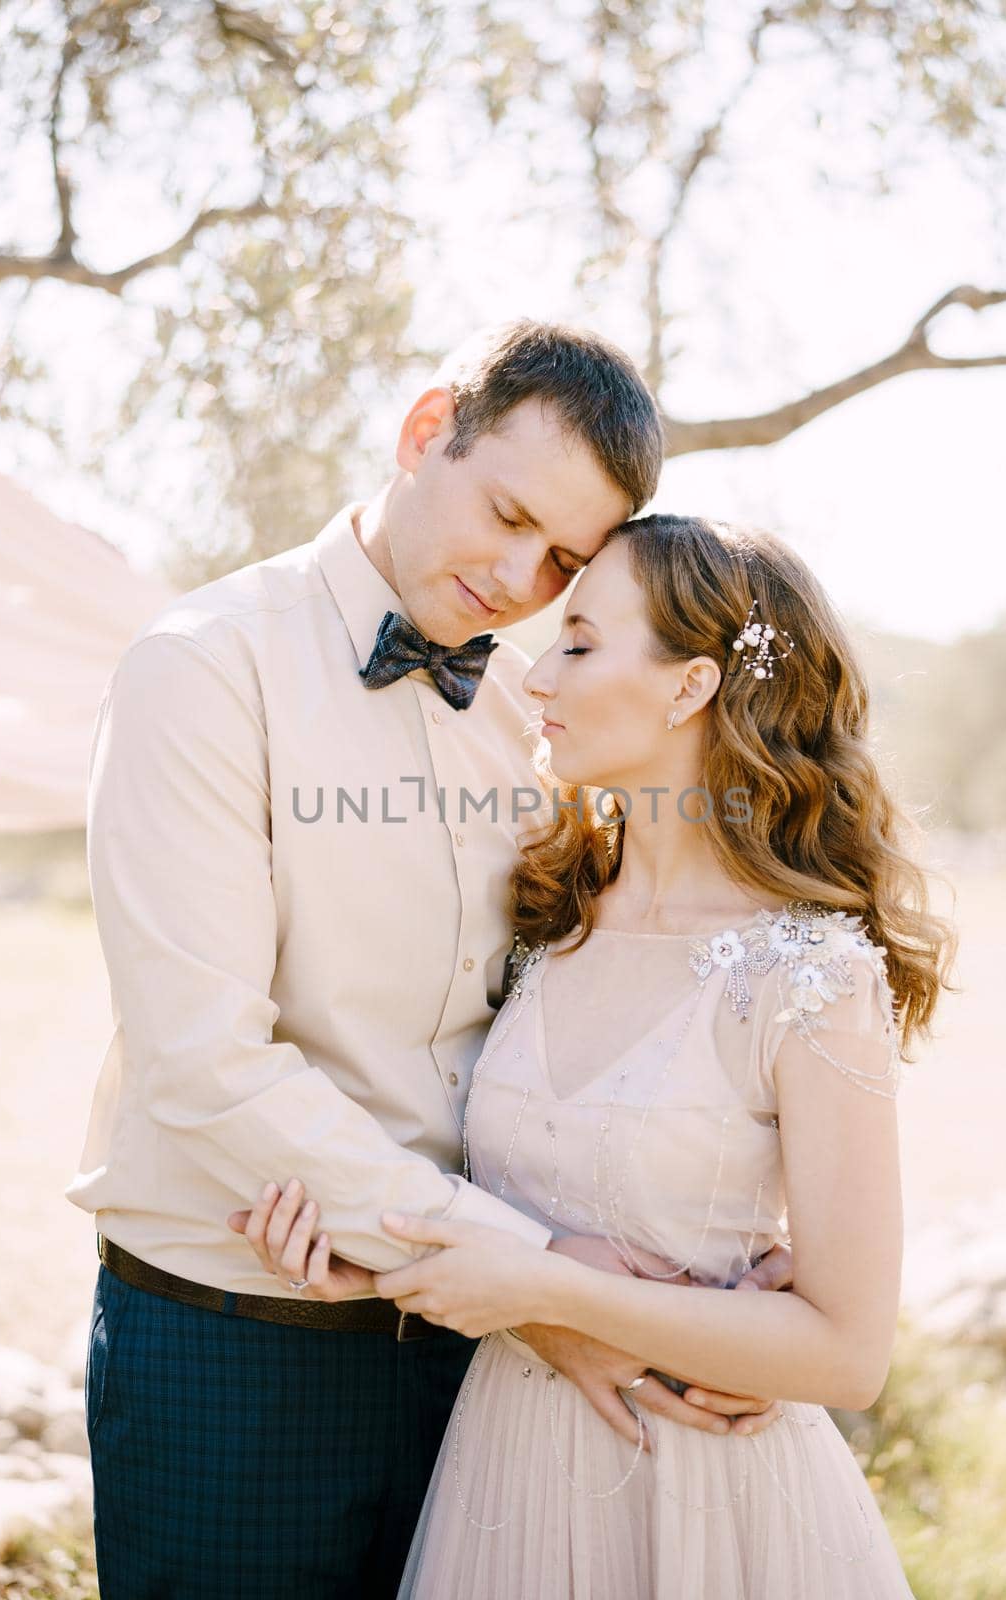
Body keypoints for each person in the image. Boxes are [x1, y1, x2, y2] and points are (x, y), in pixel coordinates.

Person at [67, 324, 792, 1600]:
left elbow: (612, 989)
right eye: (506, 513)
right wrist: (533, 1275)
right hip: (244, 1337)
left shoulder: (534, 717)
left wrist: (709, 1252)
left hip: (488, 1359)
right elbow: (206, 1064)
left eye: (562, 560)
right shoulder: (204, 668)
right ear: (423, 433)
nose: (520, 579)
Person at [252, 513, 956, 1599]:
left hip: (713, 1508)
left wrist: (552, 1286)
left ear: (687, 689)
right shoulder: (543, 915)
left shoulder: (810, 973)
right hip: (505, 1477)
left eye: (578, 641)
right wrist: (370, 1254)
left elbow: (846, 1350)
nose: (534, 676)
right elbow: (475, 1187)